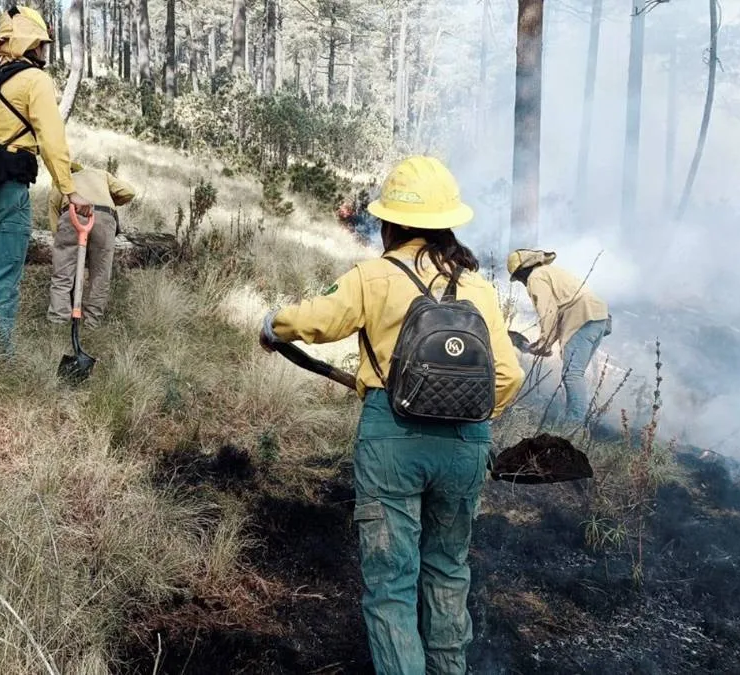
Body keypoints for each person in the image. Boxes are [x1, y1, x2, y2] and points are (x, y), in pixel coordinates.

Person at [259, 156, 523, 675]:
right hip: (466, 443)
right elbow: (509, 376)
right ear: (447, 222)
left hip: (392, 440)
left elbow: (318, 320)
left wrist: (274, 325)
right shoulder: (477, 287)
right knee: (448, 570)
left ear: (391, 223)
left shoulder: (374, 276)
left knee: (391, 583)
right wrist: (466, 416)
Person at [0, 6, 91, 355]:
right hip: (7, 190)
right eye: (43, 44)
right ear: (32, 44)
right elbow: (52, 140)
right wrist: (70, 191)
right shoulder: (35, 80)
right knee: (4, 278)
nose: (45, 51)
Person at [506, 249, 611, 426]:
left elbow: (549, 312)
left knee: (572, 374)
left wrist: (544, 343)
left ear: (523, 270)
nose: (522, 282)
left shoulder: (535, 277)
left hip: (582, 316)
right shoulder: (549, 271)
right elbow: (557, 313)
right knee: (575, 373)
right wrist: (543, 344)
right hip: (597, 317)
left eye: (518, 277)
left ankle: (573, 426)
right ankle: (576, 422)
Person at [46, 161, 136, 327]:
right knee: (101, 274)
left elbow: (54, 227)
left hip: (72, 213)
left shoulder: (60, 183)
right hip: (104, 216)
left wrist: (64, 246)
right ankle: (92, 322)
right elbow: (129, 192)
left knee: (62, 274)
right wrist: (108, 200)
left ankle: (58, 320)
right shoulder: (100, 174)